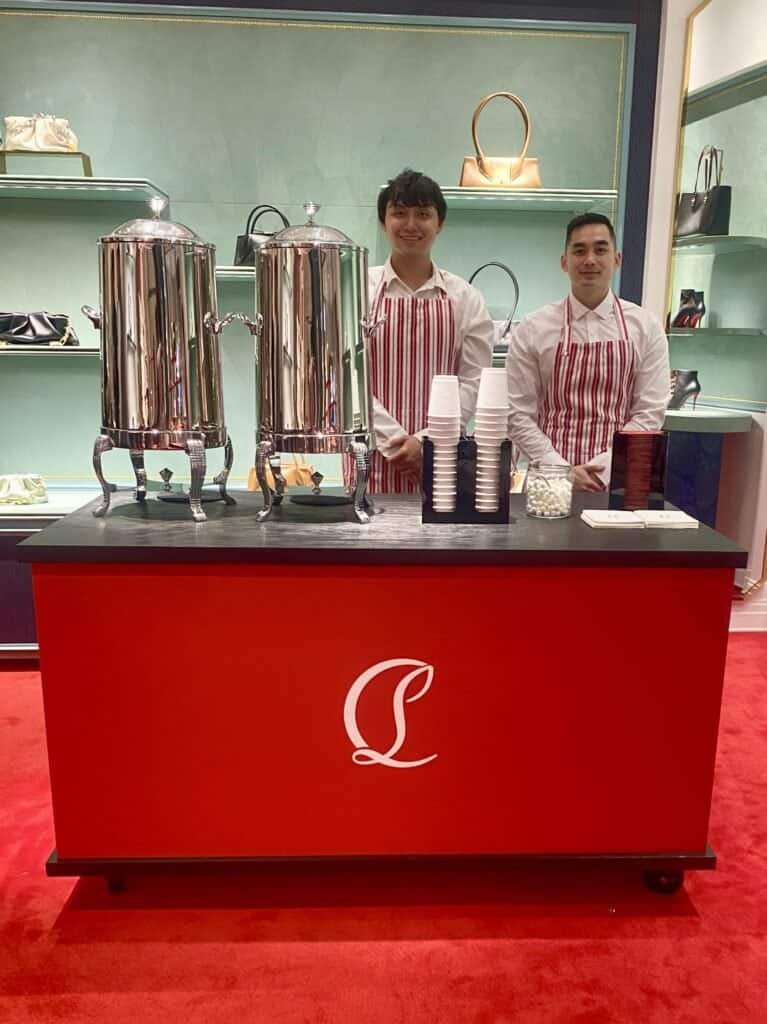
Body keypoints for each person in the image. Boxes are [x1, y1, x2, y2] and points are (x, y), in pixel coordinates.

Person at [506, 213, 669, 492]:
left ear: (616, 259)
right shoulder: (533, 328)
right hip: (548, 481)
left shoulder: (646, 327)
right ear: (564, 262)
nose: (590, 260)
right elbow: (518, 414)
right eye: (579, 251)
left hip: (620, 479)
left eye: (600, 250)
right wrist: (562, 471)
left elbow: (649, 412)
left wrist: (605, 468)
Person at [361, 168, 494, 493]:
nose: (410, 224)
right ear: (383, 222)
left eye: (423, 214)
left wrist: (425, 441)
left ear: (440, 223)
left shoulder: (466, 298)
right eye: (399, 213)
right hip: (370, 457)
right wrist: (395, 442)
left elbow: (474, 381)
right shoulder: (358, 290)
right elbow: (341, 377)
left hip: (441, 457)